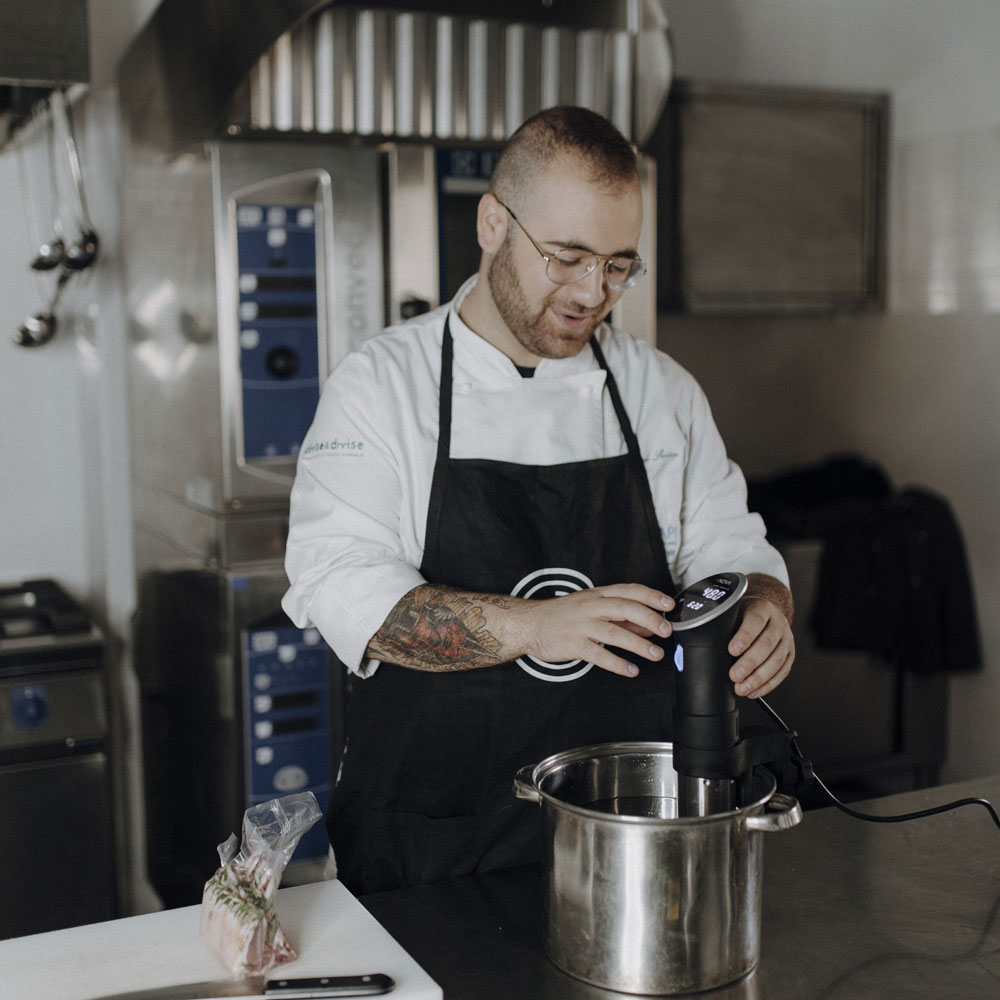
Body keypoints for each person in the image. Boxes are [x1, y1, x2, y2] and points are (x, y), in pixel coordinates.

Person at [282, 106, 794, 895]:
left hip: (631, 835)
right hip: (435, 843)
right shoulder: (380, 387)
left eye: (620, 265)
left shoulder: (660, 390)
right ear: (493, 223)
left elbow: (731, 548)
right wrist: (538, 625)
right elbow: (349, 593)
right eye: (567, 257)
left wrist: (764, 607)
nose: (593, 293)